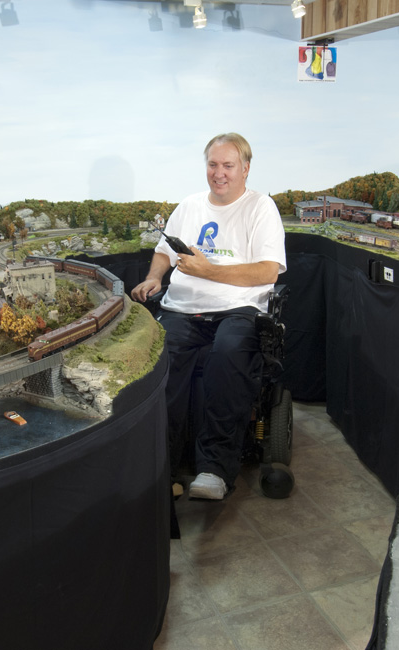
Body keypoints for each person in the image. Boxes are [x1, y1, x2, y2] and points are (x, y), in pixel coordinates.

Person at [132, 133, 286, 500]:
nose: (219, 173)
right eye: (213, 165)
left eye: (228, 166)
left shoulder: (260, 208)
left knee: (229, 355)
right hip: (183, 309)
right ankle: (162, 467)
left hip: (239, 309)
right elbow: (164, 252)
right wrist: (155, 276)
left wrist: (208, 272)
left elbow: (268, 272)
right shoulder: (188, 206)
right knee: (161, 361)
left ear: (245, 169)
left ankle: (214, 470)